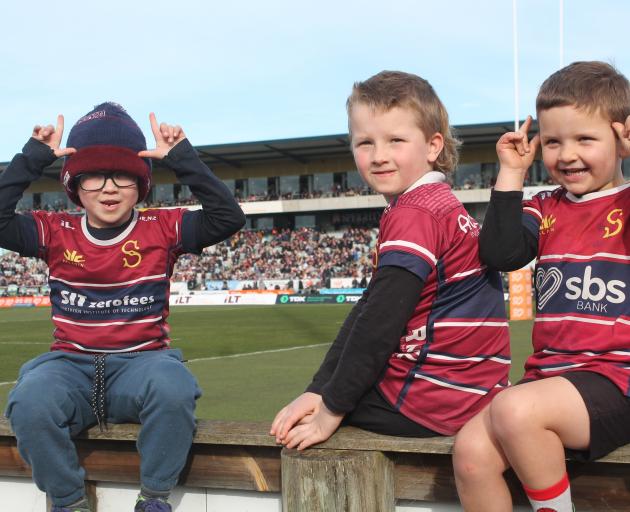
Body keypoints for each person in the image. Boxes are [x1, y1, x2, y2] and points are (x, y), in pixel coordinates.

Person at [3, 102, 245, 512]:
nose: (109, 187)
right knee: (30, 401)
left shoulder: (163, 228)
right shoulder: (53, 231)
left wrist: (182, 159)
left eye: (124, 175)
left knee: (174, 388)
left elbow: (228, 217)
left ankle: (153, 497)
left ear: (142, 184)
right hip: (70, 367)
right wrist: (32, 159)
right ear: (74, 184)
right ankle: (68, 501)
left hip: (142, 364)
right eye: (94, 175)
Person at [270, 71, 510, 449]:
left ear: (433, 146)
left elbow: (380, 322)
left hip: (431, 399)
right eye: (365, 142)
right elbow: (370, 307)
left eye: (395, 140)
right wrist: (320, 388)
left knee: (309, 424)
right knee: (328, 394)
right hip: (474, 393)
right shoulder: (441, 203)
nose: (379, 156)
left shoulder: (414, 212)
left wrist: (330, 409)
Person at [453, 61, 630, 512]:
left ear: (622, 137)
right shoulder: (543, 205)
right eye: (552, 142)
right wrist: (511, 173)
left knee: (515, 410)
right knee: (471, 453)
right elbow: (500, 254)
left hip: (618, 379)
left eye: (584, 139)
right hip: (549, 379)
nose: (566, 154)